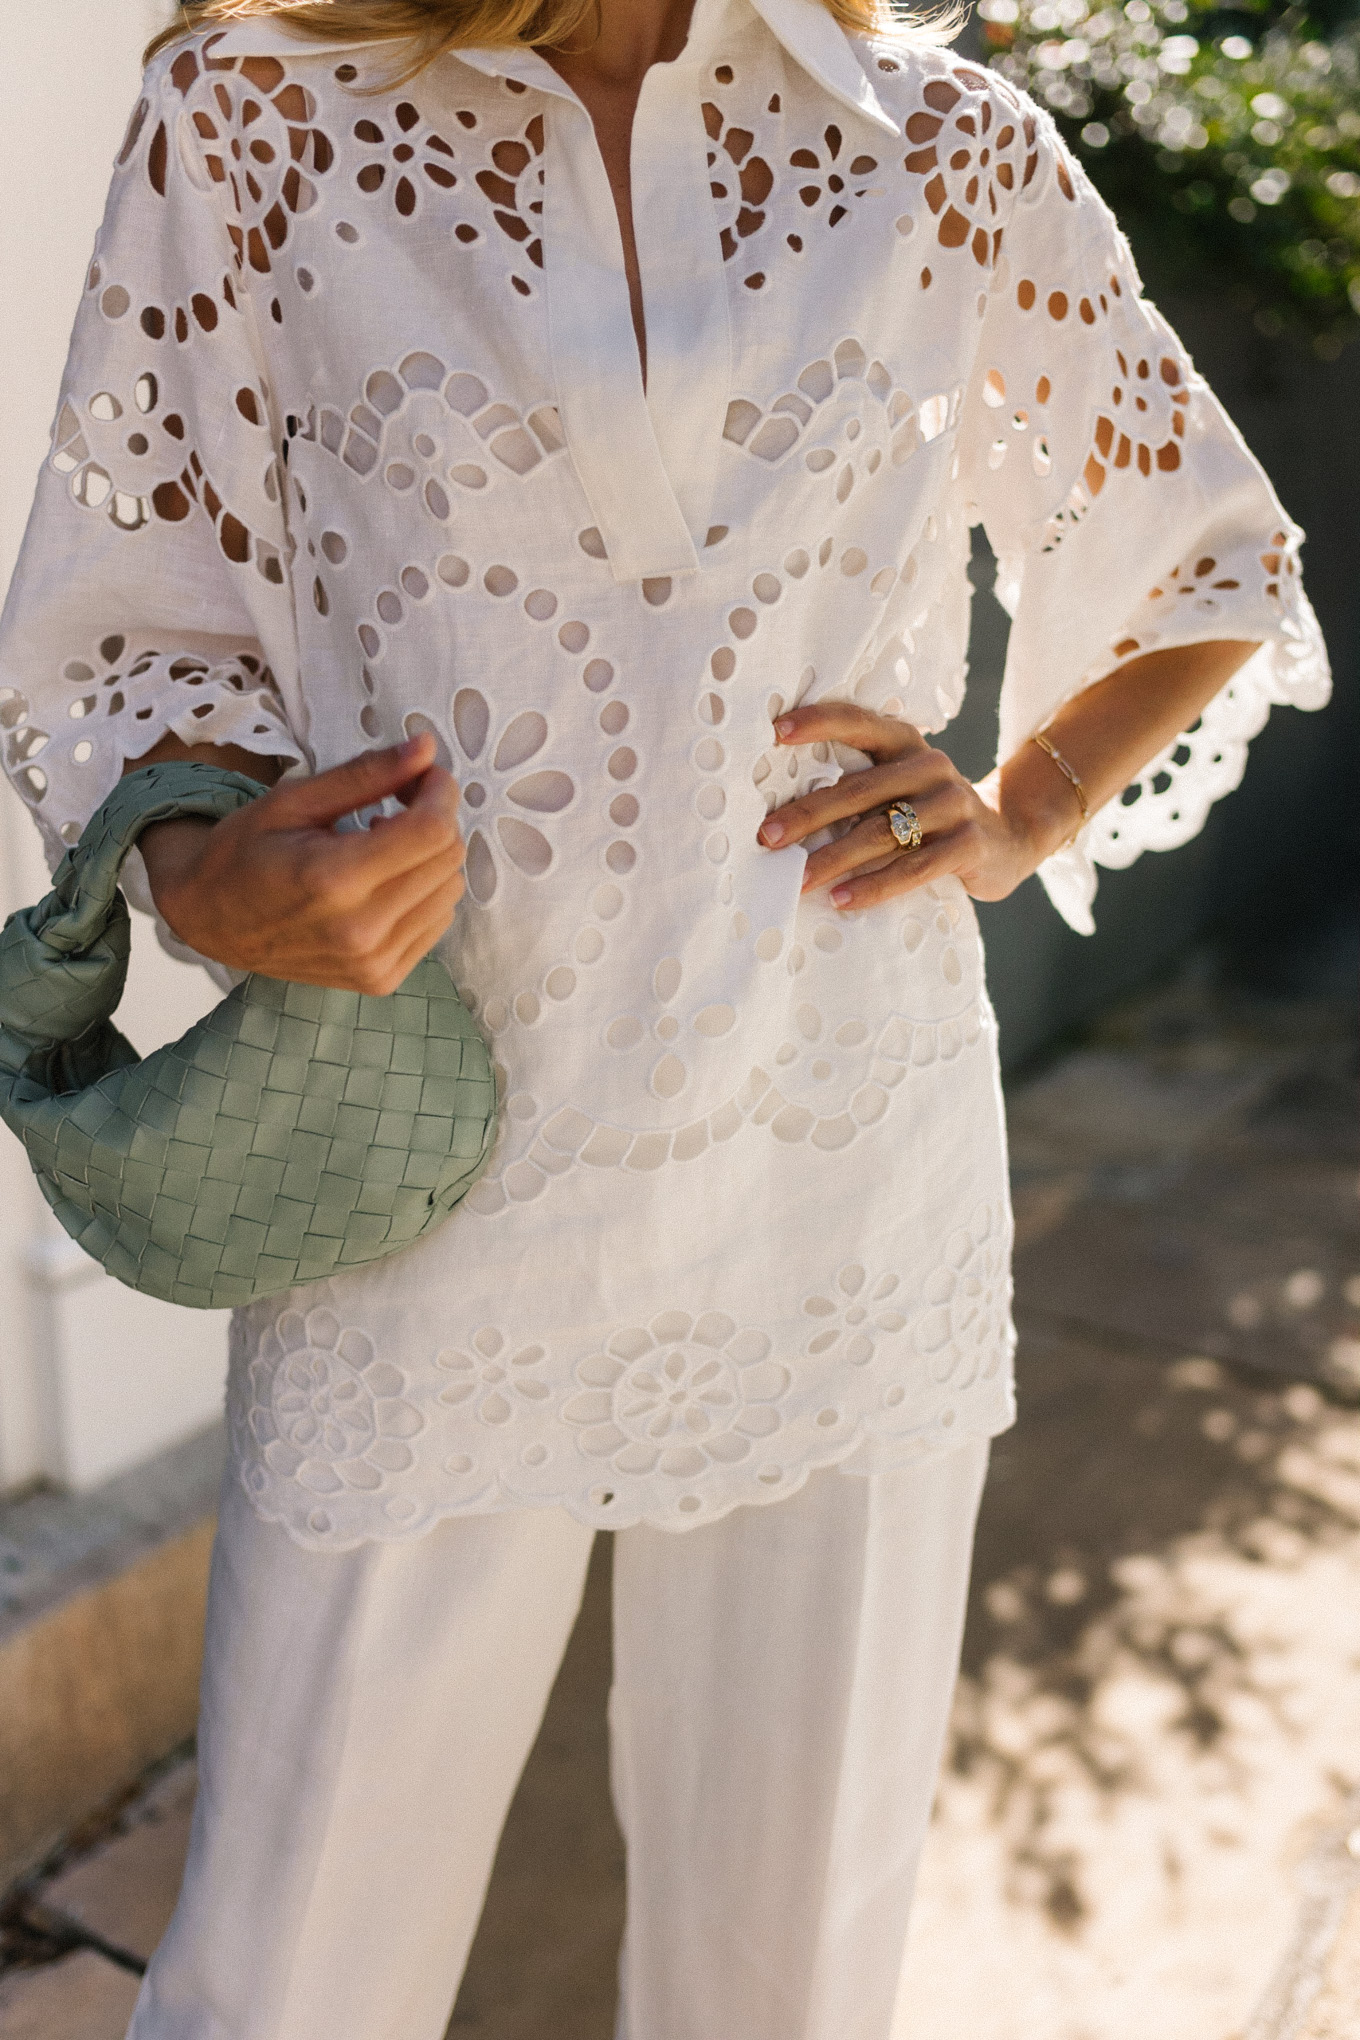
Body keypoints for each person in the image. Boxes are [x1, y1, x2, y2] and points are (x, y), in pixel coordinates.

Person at [0, 0, 1330, 2033]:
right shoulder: (259, 109)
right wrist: (208, 872)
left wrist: (1015, 804)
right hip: (424, 1199)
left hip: (842, 1173)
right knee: (283, 1976)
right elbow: (124, 624)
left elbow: (1209, 561)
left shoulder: (928, 140)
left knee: (787, 1969)